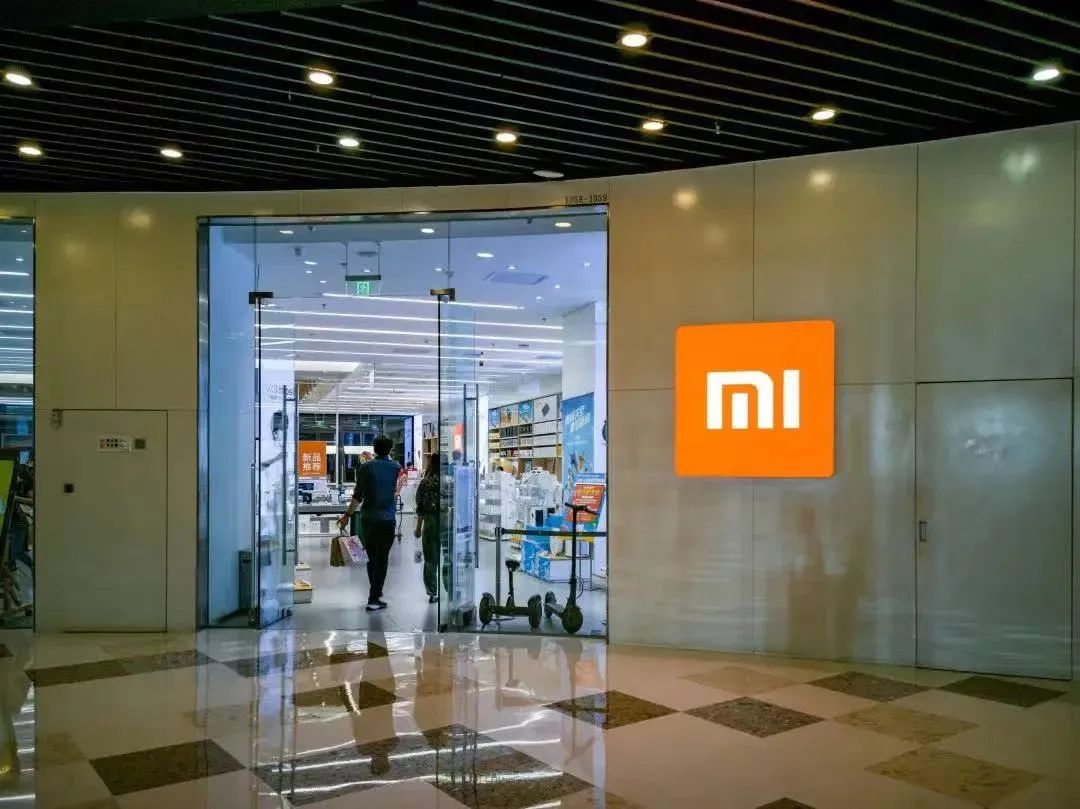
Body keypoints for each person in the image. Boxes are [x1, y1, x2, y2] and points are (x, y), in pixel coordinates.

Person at [337, 435, 401, 612]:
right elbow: (393, 489)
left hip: (368, 519)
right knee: (382, 558)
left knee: (372, 557)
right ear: (390, 449)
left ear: (374, 449)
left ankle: (375, 595)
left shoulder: (366, 467)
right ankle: (374, 597)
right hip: (387, 519)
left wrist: (347, 515)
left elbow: (358, 495)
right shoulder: (396, 467)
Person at [413, 453, 441, 605]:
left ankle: (432, 592)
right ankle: (449, 591)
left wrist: (418, 528)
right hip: (447, 521)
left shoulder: (426, 482)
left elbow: (421, 508)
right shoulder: (450, 481)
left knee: (430, 559)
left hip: (431, 523)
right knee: (449, 559)